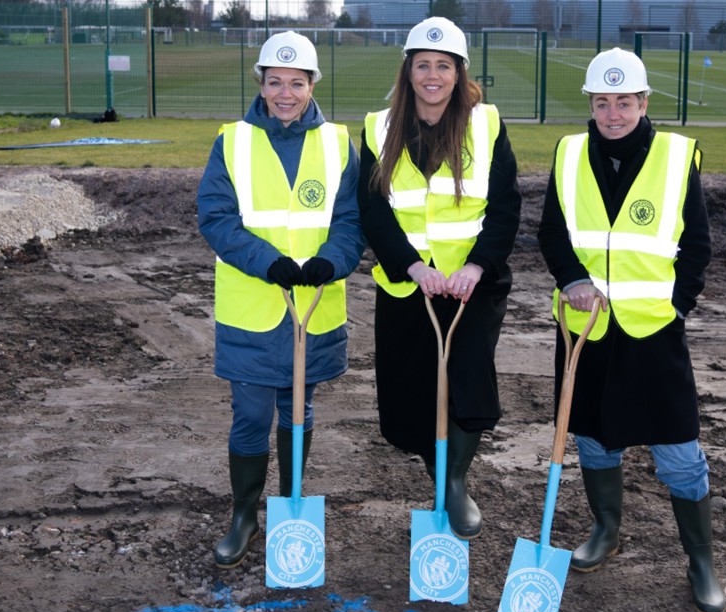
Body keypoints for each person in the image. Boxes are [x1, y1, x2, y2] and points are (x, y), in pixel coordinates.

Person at [537, 48, 724, 612]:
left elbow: (696, 247)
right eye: (602, 102)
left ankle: (701, 561)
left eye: (624, 102)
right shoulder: (569, 153)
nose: (613, 113)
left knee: (680, 456)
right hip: (587, 332)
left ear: (644, 103)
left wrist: (677, 306)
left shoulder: (674, 156)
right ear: (590, 105)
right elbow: (552, 233)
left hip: (654, 333)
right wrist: (570, 280)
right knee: (595, 439)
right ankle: (605, 530)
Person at [196, 31, 364, 569]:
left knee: (299, 410)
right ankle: (244, 515)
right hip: (252, 307)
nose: (285, 94)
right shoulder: (233, 141)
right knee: (250, 416)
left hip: (313, 308)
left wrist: (330, 263)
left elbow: (351, 221)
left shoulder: (339, 143)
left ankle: (290, 512)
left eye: (296, 83)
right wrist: (267, 262)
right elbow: (216, 219)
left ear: (314, 84)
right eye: (275, 83)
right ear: (260, 84)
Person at [359, 17, 521, 540]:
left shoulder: (487, 124)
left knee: (470, 387)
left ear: (459, 73)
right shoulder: (378, 128)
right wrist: (412, 266)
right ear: (408, 72)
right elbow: (374, 210)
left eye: (443, 66)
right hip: (410, 286)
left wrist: (476, 266)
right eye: (423, 66)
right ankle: (440, 469)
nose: (433, 76)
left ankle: (453, 483)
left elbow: (505, 206)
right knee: (416, 394)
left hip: (473, 286)